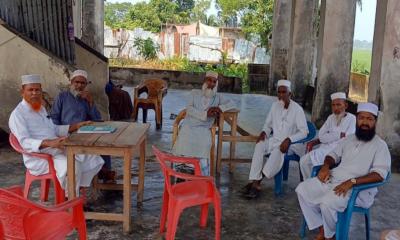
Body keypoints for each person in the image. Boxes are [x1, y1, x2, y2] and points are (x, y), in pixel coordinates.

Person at [296, 102, 391, 240]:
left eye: (369, 119)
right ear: (357, 119)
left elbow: (379, 175)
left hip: (358, 190)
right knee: (303, 189)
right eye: (361, 118)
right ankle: (324, 229)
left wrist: (352, 182)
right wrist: (326, 166)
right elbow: (332, 155)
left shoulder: (380, 146)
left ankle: (330, 236)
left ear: (375, 122)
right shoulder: (349, 139)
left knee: (327, 203)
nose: (364, 122)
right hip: (334, 180)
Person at [9, 74, 104, 195]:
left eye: (37, 90)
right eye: (30, 90)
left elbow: (53, 129)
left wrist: (76, 126)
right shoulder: (18, 114)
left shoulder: (40, 109)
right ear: (22, 92)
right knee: (73, 166)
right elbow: (24, 142)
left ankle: (74, 189)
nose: (34, 93)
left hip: (55, 148)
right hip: (39, 155)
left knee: (91, 156)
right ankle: (70, 199)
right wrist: (50, 143)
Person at [243, 80, 309, 198]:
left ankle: (257, 183)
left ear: (290, 94)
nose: (281, 95)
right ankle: (254, 179)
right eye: (279, 92)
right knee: (259, 145)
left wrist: (289, 139)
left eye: (284, 92)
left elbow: (304, 132)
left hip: (292, 145)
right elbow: (268, 124)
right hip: (275, 139)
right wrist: (264, 132)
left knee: (277, 151)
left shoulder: (297, 109)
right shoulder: (275, 106)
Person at [50, 70, 114, 183]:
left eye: (82, 83)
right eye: (77, 82)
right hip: (67, 133)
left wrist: (90, 102)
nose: (79, 86)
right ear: (71, 83)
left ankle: (106, 175)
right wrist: (58, 133)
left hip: (84, 132)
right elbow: (54, 118)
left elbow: (97, 119)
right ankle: (96, 175)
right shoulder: (62, 97)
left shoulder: (86, 98)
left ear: (86, 85)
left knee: (104, 144)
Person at [172, 71, 235, 175]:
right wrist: (205, 114)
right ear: (204, 81)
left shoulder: (218, 97)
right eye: (209, 80)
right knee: (185, 140)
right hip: (189, 126)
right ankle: (182, 174)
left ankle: (199, 175)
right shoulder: (194, 93)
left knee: (204, 143)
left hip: (204, 128)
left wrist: (220, 108)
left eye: (214, 82)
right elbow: (189, 109)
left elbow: (232, 103)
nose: (211, 84)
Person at [299, 92, 356, 179]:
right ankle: (310, 184)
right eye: (333, 105)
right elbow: (321, 137)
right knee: (303, 161)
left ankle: (312, 184)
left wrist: (329, 136)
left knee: (307, 162)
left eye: (338, 105)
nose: (336, 108)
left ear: (346, 105)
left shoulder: (352, 119)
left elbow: (347, 139)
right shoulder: (330, 118)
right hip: (324, 149)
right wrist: (339, 135)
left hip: (338, 152)